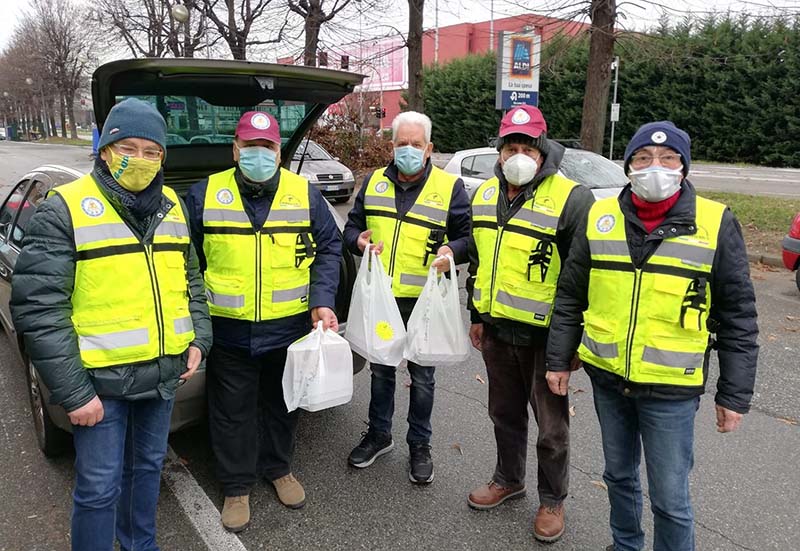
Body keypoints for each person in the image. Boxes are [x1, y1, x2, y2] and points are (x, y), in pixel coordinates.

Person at [545, 121, 759, 551]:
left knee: (670, 497)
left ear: (683, 167)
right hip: (608, 378)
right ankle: (626, 545)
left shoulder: (715, 222)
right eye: (642, 159)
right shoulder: (599, 216)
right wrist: (557, 360)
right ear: (628, 166)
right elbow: (570, 294)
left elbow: (738, 315)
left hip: (671, 390)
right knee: (618, 476)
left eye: (667, 158)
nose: (654, 167)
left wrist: (733, 395)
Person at [10, 97, 212, 551]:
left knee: (146, 473)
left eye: (152, 151)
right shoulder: (67, 207)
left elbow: (191, 278)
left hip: (162, 376)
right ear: (105, 149)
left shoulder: (172, 206)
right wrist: (74, 391)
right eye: (129, 147)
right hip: (98, 386)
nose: (139, 160)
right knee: (99, 489)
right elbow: (40, 309)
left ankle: (140, 546)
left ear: (163, 157)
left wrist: (200, 334)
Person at [185, 111, 341, 532]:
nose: (259, 154)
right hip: (229, 328)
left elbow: (329, 248)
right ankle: (236, 486)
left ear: (278, 151)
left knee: (282, 404)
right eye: (250, 147)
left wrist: (323, 300)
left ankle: (278, 469)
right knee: (230, 411)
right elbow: (183, 260)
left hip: (288, 327)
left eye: (267, 147)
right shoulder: (204, 195)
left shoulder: (304, 194)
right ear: (236, 150)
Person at [464, 105, 594, 542]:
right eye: (510, 147)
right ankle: (508, 479)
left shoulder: (573, 199)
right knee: (503, 414)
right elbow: (481, 261)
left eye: (527, 148)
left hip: (546, 338)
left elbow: (581, 279)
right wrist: (477, 314)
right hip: (498, 329)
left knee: (552, 427)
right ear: (500, 151)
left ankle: (552, 500)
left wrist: (570, 343)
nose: (518, 155)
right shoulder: (484, 195)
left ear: (543, 151)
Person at [343, 110, 471, 484]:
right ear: (392, 145)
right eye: (402, 144)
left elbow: (467, 237)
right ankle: (379, 435)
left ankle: (420, 444)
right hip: (382, 298)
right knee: (381, 371)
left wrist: (451, 252)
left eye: (416, 144)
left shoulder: (450, 188)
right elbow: (352, 226)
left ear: (429, 148)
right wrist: (359, 240)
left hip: (423, 301)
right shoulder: (373, 183)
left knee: (422, 376)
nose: (409, 151)